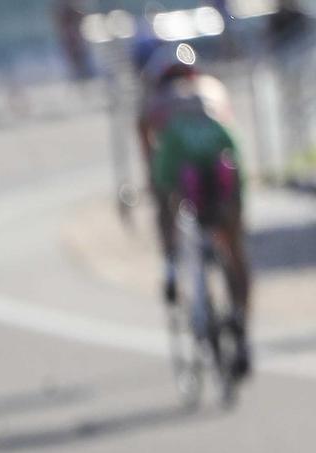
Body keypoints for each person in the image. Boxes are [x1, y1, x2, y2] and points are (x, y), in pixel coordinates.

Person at [136, 42, 251, 376]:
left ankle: (171, 263)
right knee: (234, 245)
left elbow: (149, 157)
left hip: (184, 172)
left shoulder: (154, 103)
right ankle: (240, 320)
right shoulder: (212, 88)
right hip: (223, 165)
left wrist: (156, 185)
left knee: (164, 194)